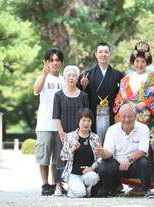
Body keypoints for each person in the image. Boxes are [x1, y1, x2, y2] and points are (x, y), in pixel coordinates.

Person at [113, 41, 154, 193]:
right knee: (128, 150)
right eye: (137, 61)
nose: (139, 64)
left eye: (143, 61)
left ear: (147, 62)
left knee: (148, 149)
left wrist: (145, 104)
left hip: (148, 121)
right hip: (129, 122)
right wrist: (120, 102)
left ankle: (146, 184)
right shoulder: (125, 79)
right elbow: (119, 99)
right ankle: (132, 182)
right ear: (133, 62)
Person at [96, 104, 154, 199]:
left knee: (144, 162)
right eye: (123, 117)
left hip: (135, 165)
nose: (127, 120)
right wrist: (102, 153)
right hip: (118, 166)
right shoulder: (112, 130)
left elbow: (143, 151)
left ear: (135, 116)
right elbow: (109, 152)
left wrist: (129, 159)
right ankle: (116, 187)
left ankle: (146, 190)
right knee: (103, 168)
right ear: (119, 118)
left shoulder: (143, 128)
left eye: (130, 116)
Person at [33, 48, 66, 196]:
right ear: (46, 62)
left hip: (60, 126)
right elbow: (36, 91)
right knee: (44, 157)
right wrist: (44, 74)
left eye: (57, 60)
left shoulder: (64, 80)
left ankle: (55, 184)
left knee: (56, 158)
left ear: (61, 62)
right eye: (51, 60)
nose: (55, 63)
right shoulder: (42, 78)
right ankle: (45, 184)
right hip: (45, 125)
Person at [53, 65, 89, 196]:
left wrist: (84, 132)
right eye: (69, 75)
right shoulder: (58, 95)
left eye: (74, 75)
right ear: (64, 78)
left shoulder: (83, 95)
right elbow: (56, 116)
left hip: (79, 131)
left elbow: (86, 115)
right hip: (64, 130)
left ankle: (72, 184)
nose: (71, 77)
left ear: (78, 78)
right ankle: (58, 185)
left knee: (77, 156)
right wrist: (61, 132)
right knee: (62, 156)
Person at [78, 42, 124, 145]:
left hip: (112, 112)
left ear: (110, 54)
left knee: (111, 141)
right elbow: (80, 93)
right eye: (100, 52)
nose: (103, 54)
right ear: (96, 54)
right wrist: (83, 87)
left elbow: (122, 94)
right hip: (94, 112)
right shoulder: (88, 74)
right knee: (95, 141)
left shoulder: (118, 74)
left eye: (106, 52)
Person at [60, 107, 101, 198]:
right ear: (78, 121)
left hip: (87, 174)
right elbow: (62, 156)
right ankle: (74, 190)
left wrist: (91, 168)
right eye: (83, 120)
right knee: (79, 193)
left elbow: (100, 158)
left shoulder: (95, 137)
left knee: (93, 177)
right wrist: (73, 148)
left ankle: (84, 190)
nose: (86, 123)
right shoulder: (70, 136)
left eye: (89, 120)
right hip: (73, 174)